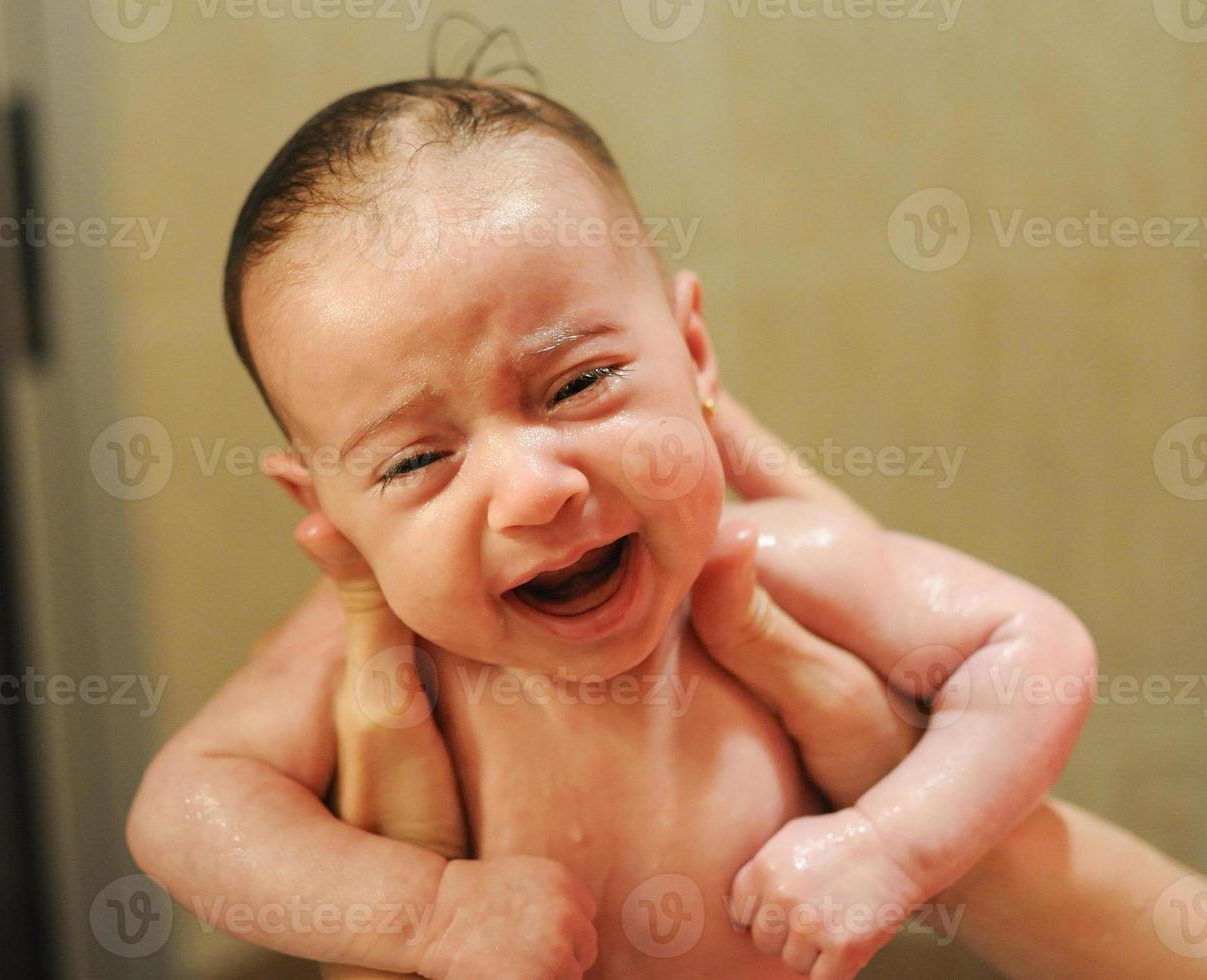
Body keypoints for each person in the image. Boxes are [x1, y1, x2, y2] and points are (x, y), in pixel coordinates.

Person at [130, 77, 1105, 978]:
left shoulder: (758, 562)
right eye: (418, 460)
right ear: (325, 509)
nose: (533, 490)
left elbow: (1035, 649)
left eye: (581, 383)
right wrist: (425, 912)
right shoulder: (381, 640)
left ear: (691, 351)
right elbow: (185, 809)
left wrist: (892, 843)